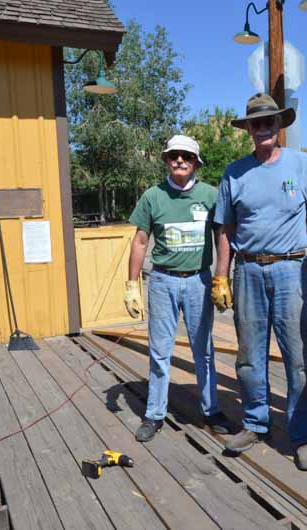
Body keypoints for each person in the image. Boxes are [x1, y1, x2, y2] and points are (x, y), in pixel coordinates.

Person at [212, 93, 307, 471]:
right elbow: (225, 230)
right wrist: (220, 276)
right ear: (248, 128)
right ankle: (255, 422)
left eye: (270, 122)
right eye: (256, 123)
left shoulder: (303, 164)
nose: (263, 128)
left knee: (299, 359)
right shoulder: (234, 172)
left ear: (280, 125)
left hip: (290, 270)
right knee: (249, 356)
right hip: (246, 270)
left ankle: (302, 435)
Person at [124, 134, 233, 442]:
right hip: (162, 281)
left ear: (197, 162)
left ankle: (211, 410)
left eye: (186, 156)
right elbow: (141, 241)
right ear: (166, 160)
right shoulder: (152, 197)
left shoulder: (211, 195)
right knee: (160, 351)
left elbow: (223, 236)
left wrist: (222, 276)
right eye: (174, 156)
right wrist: (132, 283)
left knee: (204, 351)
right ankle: (155, 414)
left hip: (199, 280)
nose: (180, 161)